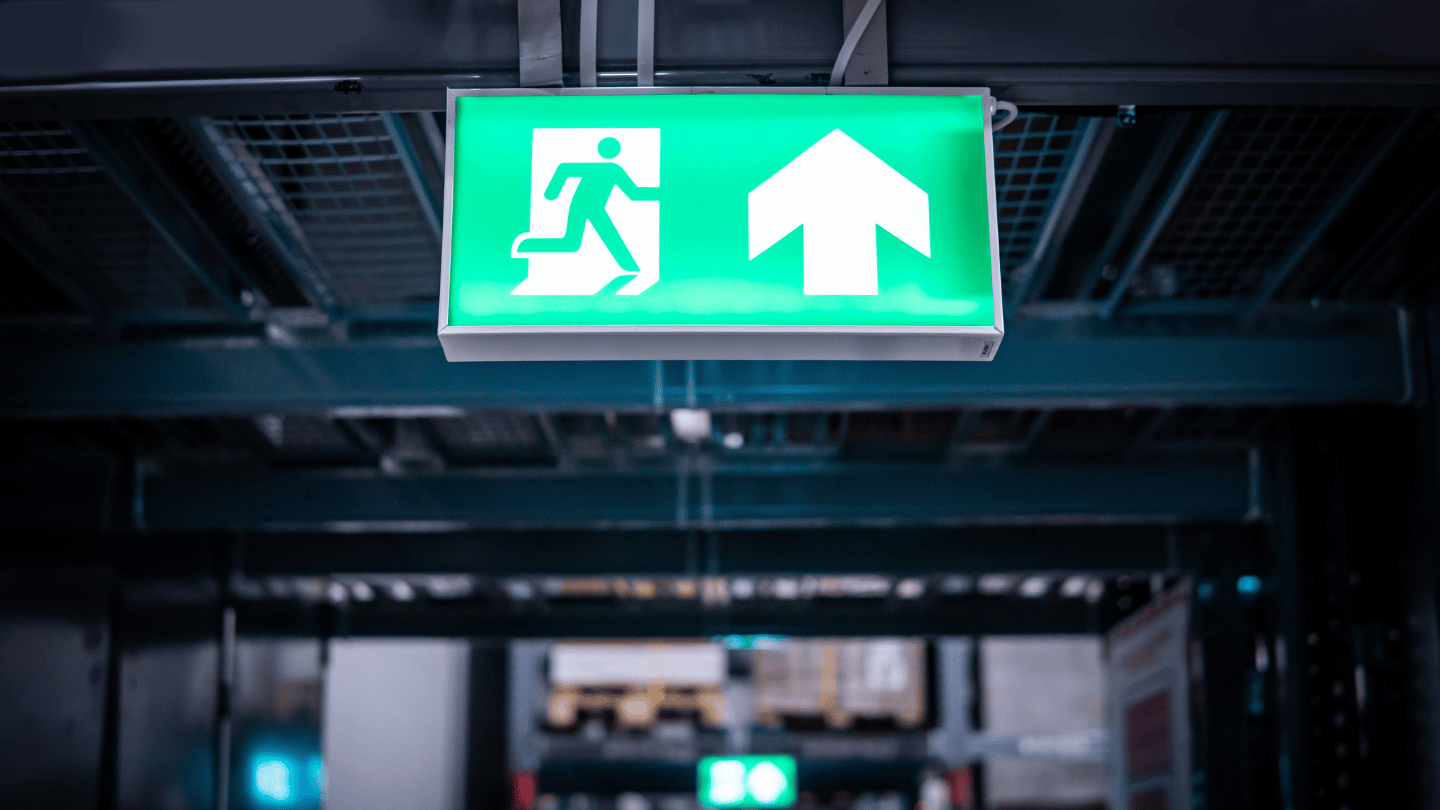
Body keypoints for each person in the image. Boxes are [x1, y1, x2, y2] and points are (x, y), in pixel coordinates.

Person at [517, 136, 659, 272]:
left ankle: (528, 245)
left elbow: (633, 193)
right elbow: (564, 168)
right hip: (583, 207)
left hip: (591, 207)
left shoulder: (612, 169)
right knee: (573, 243)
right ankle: (631, 267)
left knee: (571, 243)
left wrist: (552, 193)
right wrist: (552, 192)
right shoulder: (612, 169)